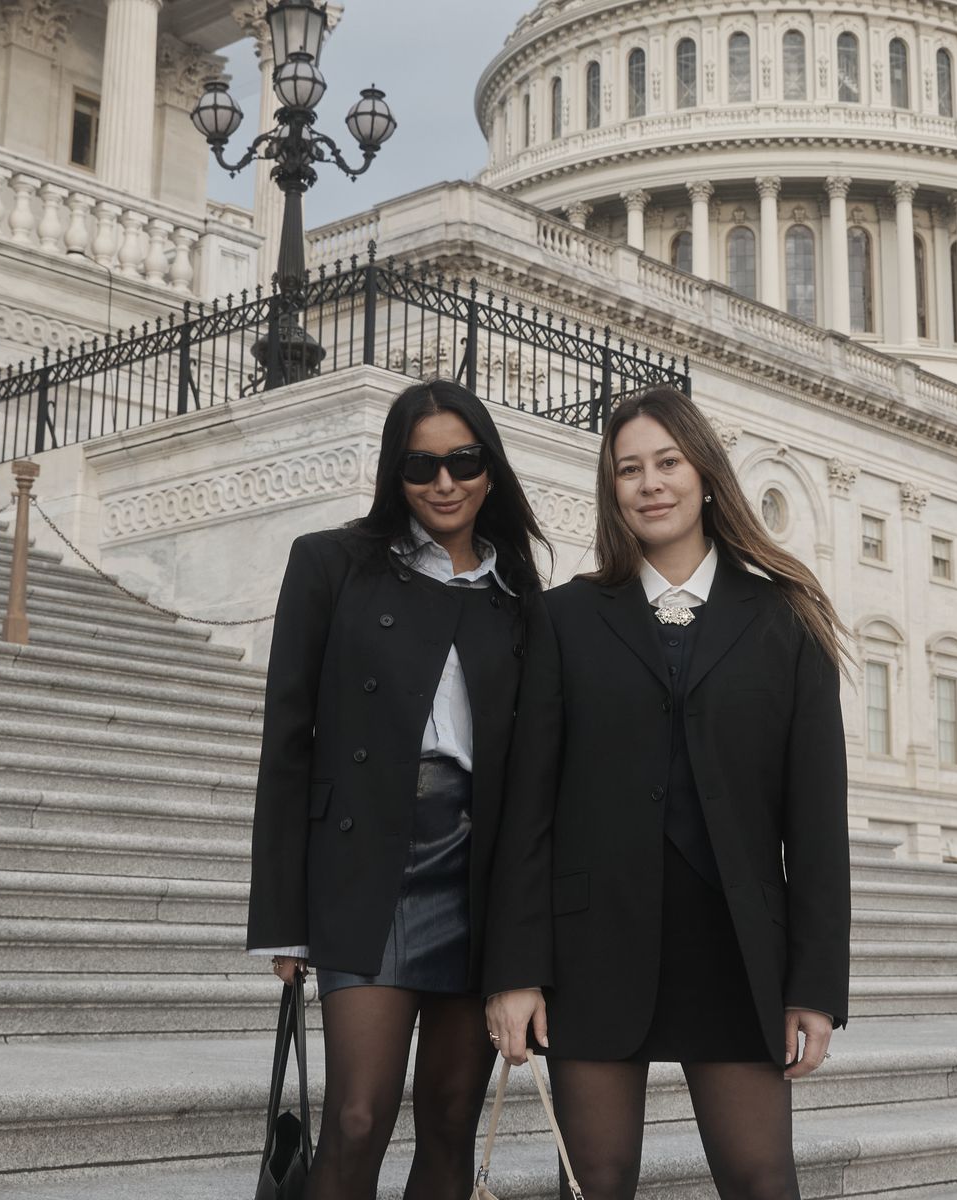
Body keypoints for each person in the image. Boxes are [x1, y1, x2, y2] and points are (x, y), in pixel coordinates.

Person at [484, 385, 851, 1200]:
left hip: (734, 952)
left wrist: (815, 989)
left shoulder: (787, 622)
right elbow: (526, 811)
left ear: (706, 474)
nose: (649, 483)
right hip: (592, 952)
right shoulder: (562, 619)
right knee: (597, 1184)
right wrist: (514, 971)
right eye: (628, 470)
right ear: (611, 492)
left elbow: (818, 824)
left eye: (667, 463)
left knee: (763, 1182)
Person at [246, 379, 549, 1199]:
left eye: (462, 460)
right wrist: (283, 920)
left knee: (450, 1118)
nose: (443, 482)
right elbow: (288, 743)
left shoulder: (521, 598)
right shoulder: (330, 563)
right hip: (367, 863)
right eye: (421, 464)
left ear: (490, 468)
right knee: (356, 1116)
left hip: (475, 872)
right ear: (394, 470)